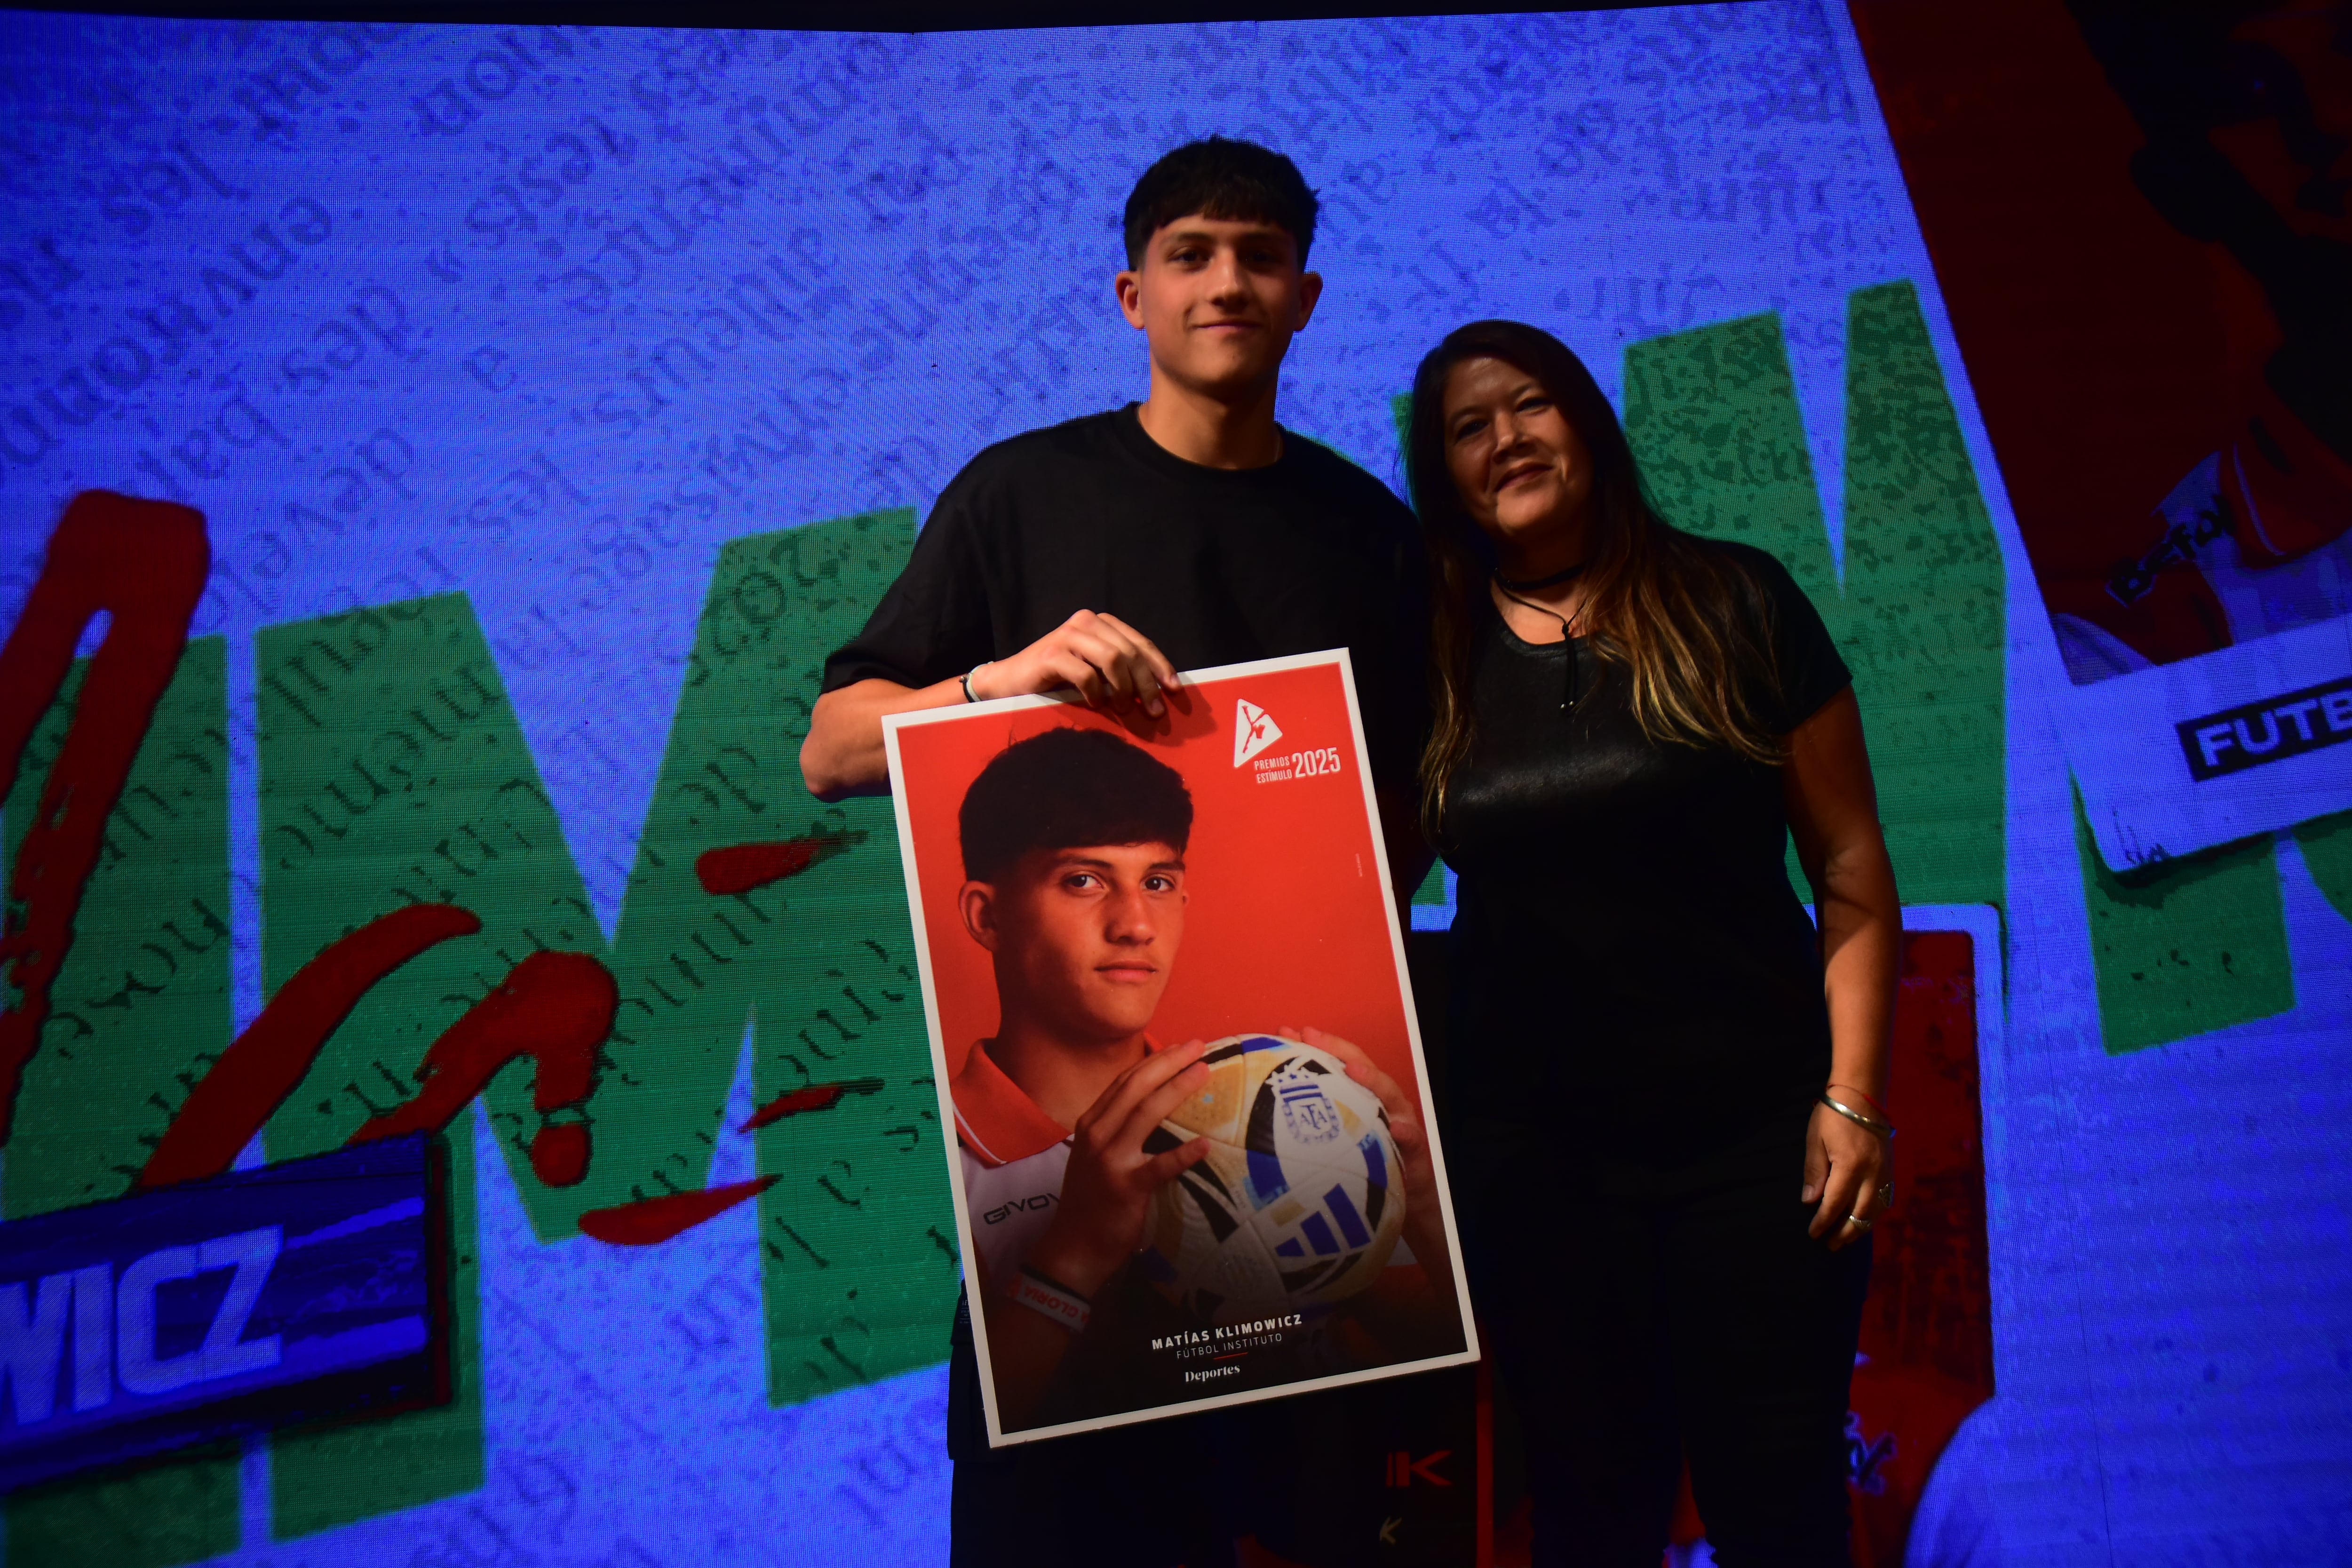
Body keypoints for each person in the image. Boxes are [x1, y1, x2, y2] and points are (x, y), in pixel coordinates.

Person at [801, 137, 1432, 1568]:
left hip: (1291, 1208)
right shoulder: (1021, 493)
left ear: (1307, 297)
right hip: (1053, 1247)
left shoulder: (1372, 536)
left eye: (1260, 257)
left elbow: (1403, 820)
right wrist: (996, 681)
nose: (1228, 283)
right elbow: (831, 749)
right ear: (1131, 294)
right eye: (1191, 255)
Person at [1402, 319, 1899, 1566]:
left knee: (1779, 1509)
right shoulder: (1428, 651)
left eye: (1531, 404)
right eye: (1469, 426)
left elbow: (1849, 871)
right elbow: (1357, 886)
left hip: (1759, 1151)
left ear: (1585, 419)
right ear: (1441, 471)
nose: (1507, 439)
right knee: (1589, 1513)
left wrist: (1852, 1098)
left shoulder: (1736, 598)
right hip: (1538, 1170)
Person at [946, 726, 1453, 1434]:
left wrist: (1422, 1206)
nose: (1136, 925)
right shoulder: (932, 1152)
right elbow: (951, 1432)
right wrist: (1073, 1254)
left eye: (1158, 882)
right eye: (1083, 880)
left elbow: (1444, 1354)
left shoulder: (1267, 1101)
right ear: (987, 915)